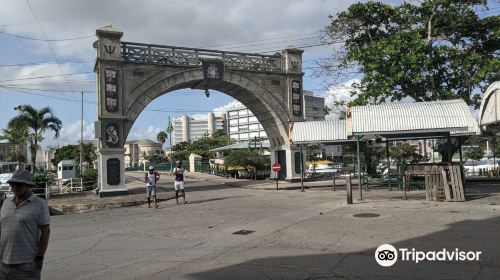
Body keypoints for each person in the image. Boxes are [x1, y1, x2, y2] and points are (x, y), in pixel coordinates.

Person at [0, 169, 51, 280]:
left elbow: (46, 232)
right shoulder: (6, 202)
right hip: (2, 265)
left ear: (28, 185)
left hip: (26, 266)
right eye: (11, 183)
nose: (14, 186)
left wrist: (40, 257)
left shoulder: (39, 204)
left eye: (18, 184)